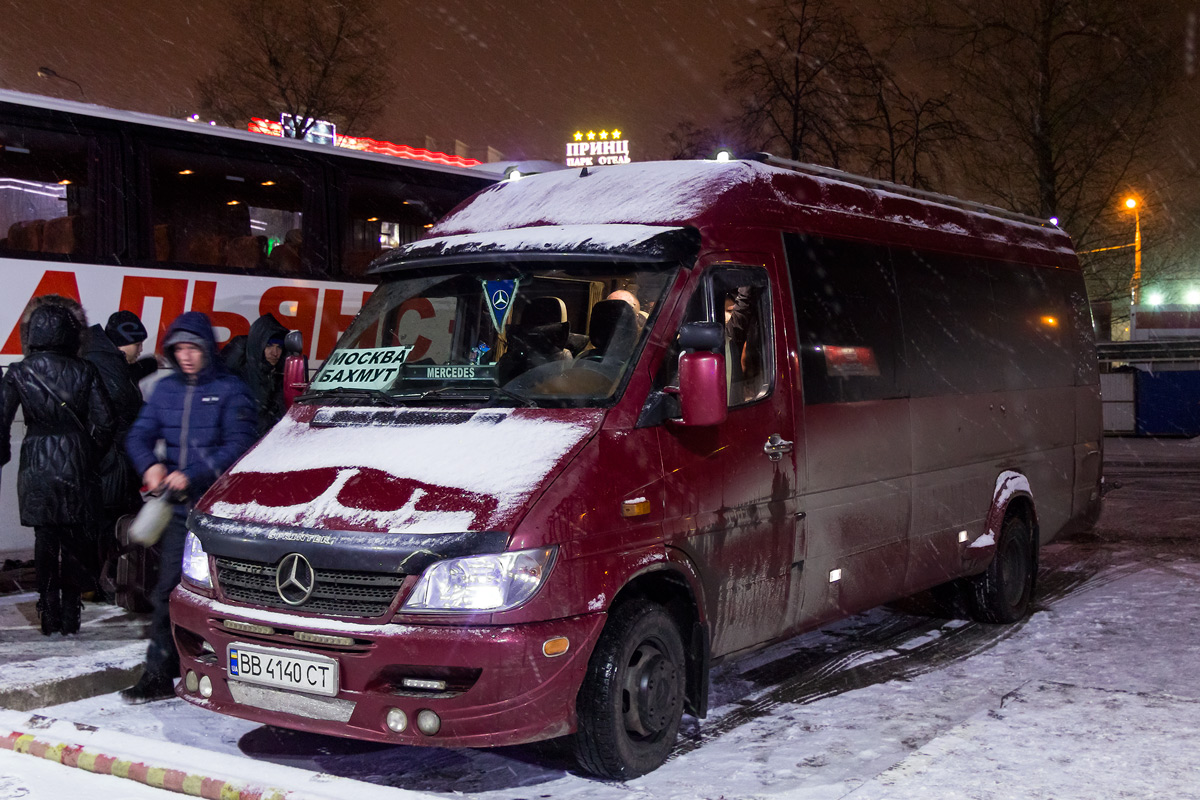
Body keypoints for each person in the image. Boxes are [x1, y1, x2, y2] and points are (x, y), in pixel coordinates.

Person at [120, 311, 255, 702]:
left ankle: (235, 673)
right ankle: (159, 674)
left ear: (207, 348)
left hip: (221, 516)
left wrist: (192, 473)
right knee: (166, 594)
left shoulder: (232, 390)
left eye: (193, 348)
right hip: (180, 513)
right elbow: (139, 436)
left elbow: (239, 446)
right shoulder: (166, 391)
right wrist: (151, 464)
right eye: (179, 349)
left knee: (227, 598)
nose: (186, 357)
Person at [0, 301, 115, 635]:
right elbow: (106, 421)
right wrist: (88, 452)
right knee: (76, 540)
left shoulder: (19, 373)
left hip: (37, 461)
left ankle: (47, 612)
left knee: (45, 539)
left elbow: (1, 420)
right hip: (77, 460)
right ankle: (70, 613)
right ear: (69, 333)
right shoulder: (85, 370)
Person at [84, 310, 150, 600]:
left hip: (115, 459)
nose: (141, 349)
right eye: (138, 344)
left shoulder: (108, 361)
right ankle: (107, 583)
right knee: (110, 521)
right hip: (113, 461)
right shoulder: (107, 365)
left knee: (114, 521)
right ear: (124, 341)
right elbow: (121, 410)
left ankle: (110, 581)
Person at [235, 313, 288, 435]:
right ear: (258, 345)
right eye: (269, 346)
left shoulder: (278, 376)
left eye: (279, 347)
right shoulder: (240, 378)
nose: (275, 353)